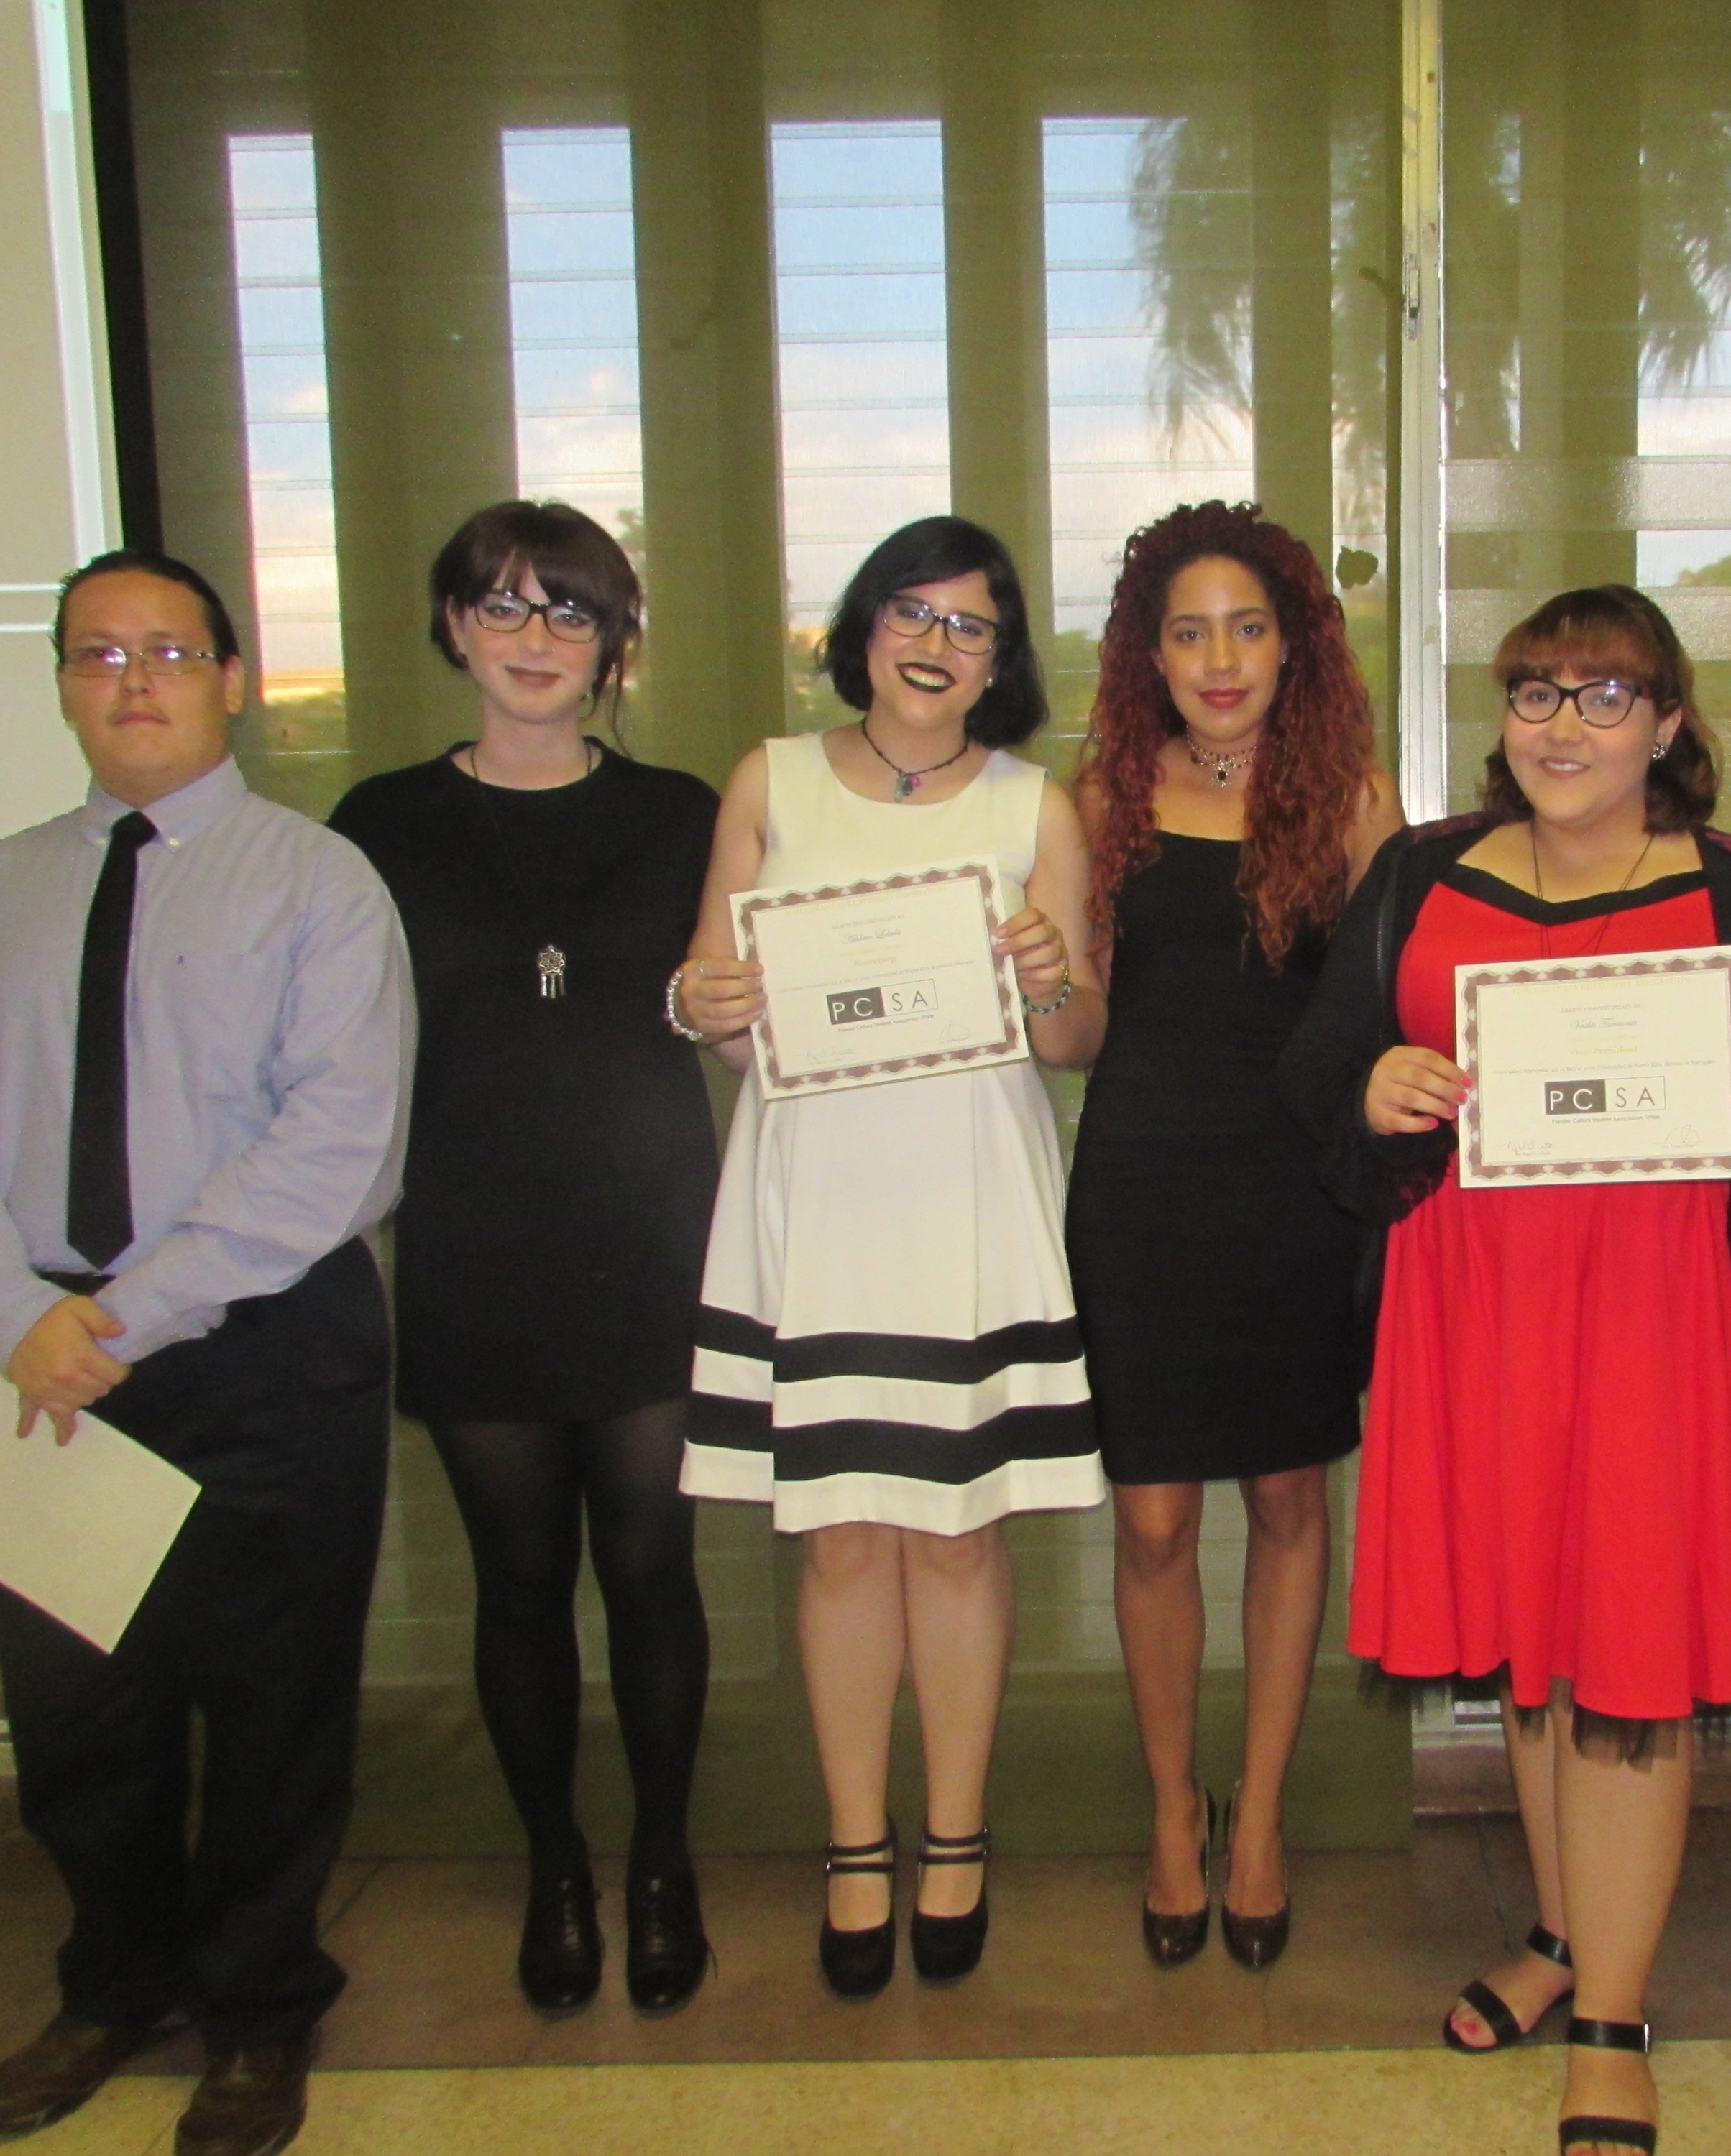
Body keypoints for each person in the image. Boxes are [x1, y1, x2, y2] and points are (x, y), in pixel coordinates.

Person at [1280, 585, 1731, 2156]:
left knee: (1622, 1657)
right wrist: (1369, 1080)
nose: (1565, 726)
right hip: (1471, 1317)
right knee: (1527, 1641)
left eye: (1605, 697)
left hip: (1665, 1327)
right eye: (1536, 694)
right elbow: (1313, 1073)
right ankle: (1566, 1943)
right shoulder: (1421, 873)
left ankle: (1616, 2019)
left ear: (1669, 726)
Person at [0, 550, 412, 2156]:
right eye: (95, 653)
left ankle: (253, 2011)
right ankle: (112, 1985)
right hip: (25, 1352)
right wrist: (20, 1314)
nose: (133, 679)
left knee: (272, 1702)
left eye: (168, 650)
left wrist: (128, 1312)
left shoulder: (316, 887)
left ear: (232, 678)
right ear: (58, 683)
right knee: (76, 1716)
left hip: (261, 1343)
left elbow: (337, 1148)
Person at [669, 516, 1106, 1997]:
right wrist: (700, 998)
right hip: (821, 1191)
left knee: (958, 1535)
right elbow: (726, 1028)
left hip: (967, 1194)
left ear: (1001, 659)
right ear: (859, 628)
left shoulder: (1034, 805)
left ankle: (958, 1835)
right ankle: (855, 1844)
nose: (933, 643)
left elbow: (1077, 1042)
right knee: (842, 1533)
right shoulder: (768, 781)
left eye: (970, 624)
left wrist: (1052, 977)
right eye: (909, 612)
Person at [328, 502, 720, 2017]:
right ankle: (553, 1862)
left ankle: (662, 1860)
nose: (536, 640)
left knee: (650, 1571)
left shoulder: (685, 811)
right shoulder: (376, 823)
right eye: (503, 609)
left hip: (649, 1238)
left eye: (568, 612)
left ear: (614, 642)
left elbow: (751, 1005)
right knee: (515, 1584)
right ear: (450, 631)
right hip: (473, 1240)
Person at [1066, 501, 1401, 1968]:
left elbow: (1396, 1015)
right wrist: (1028, 976)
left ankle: (1255, 1813)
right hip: (1139, 1181)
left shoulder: (1350, 799)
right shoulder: (1098, 797)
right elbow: (1075, 1036)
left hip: (1292, 1193)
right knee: (1148, 1520)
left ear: (1292, 644)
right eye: (1188, 630)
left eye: (1247, 627)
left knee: (1282, 1503)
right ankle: (1166, 1808)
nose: (1219, 659)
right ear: (1149, 650)